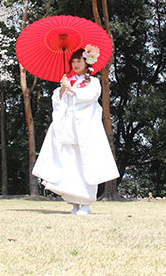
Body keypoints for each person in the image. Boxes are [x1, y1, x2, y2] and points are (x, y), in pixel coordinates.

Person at [32, 45, 119, 215]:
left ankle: (86, 202)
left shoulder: (92, 82)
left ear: (86, 62)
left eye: (79, 61)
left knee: (84, 163)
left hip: (85, 129)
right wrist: (63, 90)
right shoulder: (67, 81)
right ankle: (73, 201)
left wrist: (73, 90)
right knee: (70, 163)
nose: (75, 64)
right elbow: (57, 104)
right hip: (68, 128)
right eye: (73, 61)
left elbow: (91, 97)